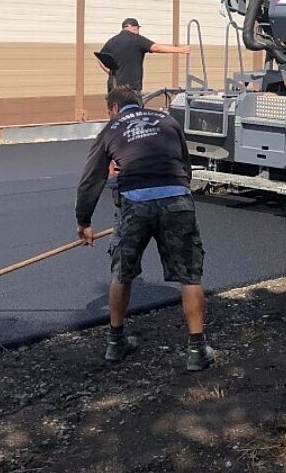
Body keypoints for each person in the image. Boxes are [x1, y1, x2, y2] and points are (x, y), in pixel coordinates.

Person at [75, 86, 216, 372]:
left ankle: (115, 343)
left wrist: (84, 221)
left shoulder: (111, 128)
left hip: (135, 203)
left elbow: (91, 179)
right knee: (190, 276)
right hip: (176, 200)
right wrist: (178, 193)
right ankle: (197, 351)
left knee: (122, 274)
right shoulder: (167, 121)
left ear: (114, 108)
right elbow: (185, 164)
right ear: (138, 104)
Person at [96, 18, 191, 93]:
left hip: (114, 86)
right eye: (138, 28)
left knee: (116, 110)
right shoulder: (137, 39)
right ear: (134, 28)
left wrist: (110, 72)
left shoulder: (112, 41)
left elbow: (99, 58)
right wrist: (181, 50)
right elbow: (156, 47)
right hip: (131, 87)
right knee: (133, 110)